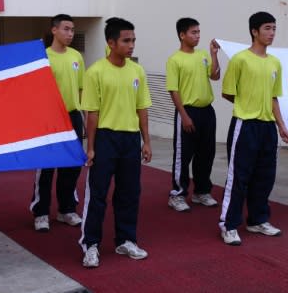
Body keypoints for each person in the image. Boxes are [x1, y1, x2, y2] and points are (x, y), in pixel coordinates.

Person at [79, 17, 152, 268]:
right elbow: (92, 114)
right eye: (126, 40)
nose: (131, 45)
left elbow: (142, 107)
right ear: (111, 42)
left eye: (133, 40)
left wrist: (146, 141)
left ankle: (126, 240)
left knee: (130, 193)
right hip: (106, 138)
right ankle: (90, 244)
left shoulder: (137, 71)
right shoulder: (95, 72)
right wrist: (91, 146)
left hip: (130, 139)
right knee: (98, 194)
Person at [218, 12, 288, 246]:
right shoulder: (240, 59)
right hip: (245, 125)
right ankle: (229, 225)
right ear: (254, 31)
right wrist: (247, 106)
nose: (272, 33)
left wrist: (281, 125)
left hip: (268, 127)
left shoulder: (274, 63)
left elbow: (273, 97)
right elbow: (227, 92)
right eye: (267, 28)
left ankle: (258, 220)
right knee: (239, 177)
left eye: (274, 29)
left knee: (265, 175)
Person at [29, 15, 85, 232]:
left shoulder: (77, 57)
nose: (70, 33)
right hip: (49, 119)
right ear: (54, 30)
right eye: (66, 29)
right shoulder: (43, 57)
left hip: (72, 117)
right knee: (46, 168)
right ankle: (41, 212)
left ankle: (66, 210)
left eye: (72, 30)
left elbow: (81, 88)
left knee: (71, 166)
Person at [166, 18, 221, 213]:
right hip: (187, 112)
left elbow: (215, 76)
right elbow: (173, 90)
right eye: (193, 32)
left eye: (198, 32)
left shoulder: (203, 55)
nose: (197, 36)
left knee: (206, 154)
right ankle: (177, 194)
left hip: (207, 111)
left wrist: (214, 55)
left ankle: (201, 192)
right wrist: (184, 115)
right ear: (182, 35)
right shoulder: (175, 60)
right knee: (183, 155)